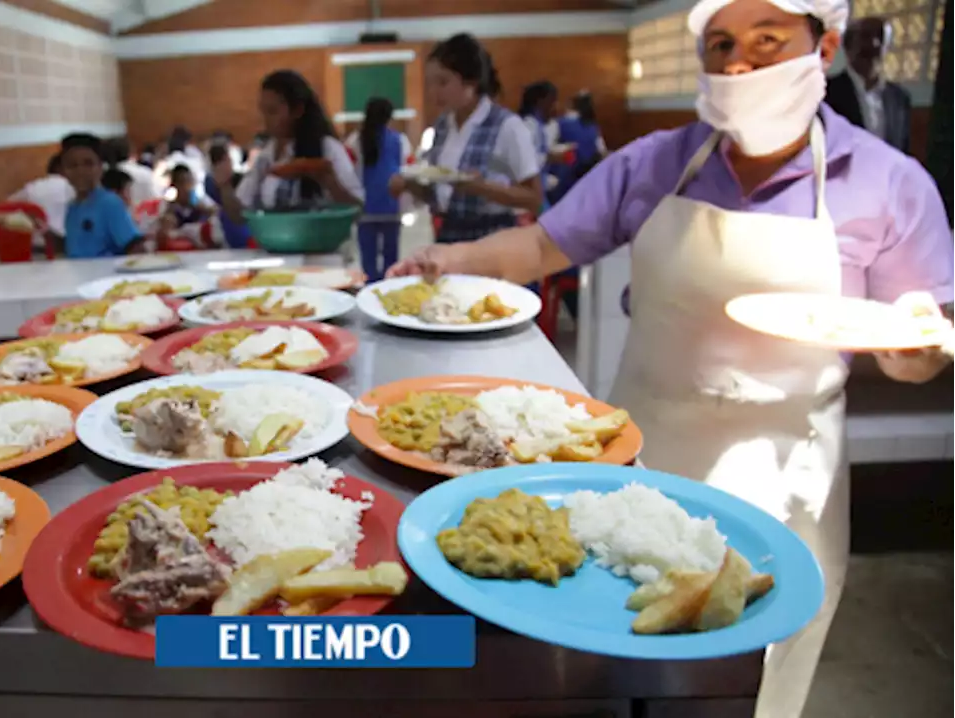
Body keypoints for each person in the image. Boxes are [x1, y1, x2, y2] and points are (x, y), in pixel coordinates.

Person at [389, 1, 954, 715]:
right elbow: (541, 245)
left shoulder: (887, 183)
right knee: (613, 666)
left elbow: (913, 347)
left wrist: (921, 348)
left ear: (827, 44)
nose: (737, 64)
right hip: (642, 466)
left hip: (786, 474)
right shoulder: (657, 163)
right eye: (719, 44)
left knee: (745, 682)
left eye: (766, 42)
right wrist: (451, 259)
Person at [391, 34, 541, 244]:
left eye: (443, 82)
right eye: (430, 84)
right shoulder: (443, 126)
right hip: (449, 234)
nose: (434, 93)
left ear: (472, 81)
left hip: (493, 238)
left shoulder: (507, 126)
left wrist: (481, 187)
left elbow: (534, 199)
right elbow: (439, 192)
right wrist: (409, 184)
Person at [212, 70, 364, 223]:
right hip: (278, 243)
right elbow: (240, 217)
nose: (265, 120)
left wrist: (330, 181)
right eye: (263, 111)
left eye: (272, 112)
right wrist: (225, 187)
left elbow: (357, 210)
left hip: (325, 244)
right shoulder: (266, 156)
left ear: (298, 110)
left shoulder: (327, 148)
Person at [347, 97, 411, 281]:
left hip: (364, 206)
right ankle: (388, 287)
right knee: (391, 256)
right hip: (391, 205)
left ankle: (369, 287)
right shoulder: (400, 140)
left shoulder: (355, 140)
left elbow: (349, 173)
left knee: (368, 256)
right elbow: (406, 173)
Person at [826, 16, 912, 153]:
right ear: (848, 45)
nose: (874, 44)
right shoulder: (825, 92)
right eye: (865, 36)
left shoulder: (900, 99)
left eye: (881, 37)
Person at [52, 133, 145, 258]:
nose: (80, 171)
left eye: (88, 164)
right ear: (63, 171)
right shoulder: (72, 207)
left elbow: (135, 247)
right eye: (72, 165)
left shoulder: (110, 203)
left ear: (100, 167)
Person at [9, 153, 74, 239]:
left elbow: (7, 205)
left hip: (35, 247)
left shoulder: (31, 188)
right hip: (69, 245)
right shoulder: (73, 187)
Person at [204, 145, 251, 249]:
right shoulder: (210, 182)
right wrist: (224, 185)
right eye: (227, 160)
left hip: (242, 227)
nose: (230, 164)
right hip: (227, 224)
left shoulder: (240, 179)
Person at [108, 137, 159, 206]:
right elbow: (157, 198)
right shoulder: (146, 172)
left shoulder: (108, 175)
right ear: (131, 152)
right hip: (145, 214)